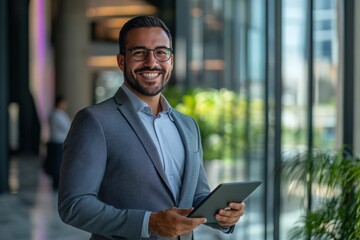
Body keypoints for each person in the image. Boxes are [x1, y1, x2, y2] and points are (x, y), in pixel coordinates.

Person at [58, 16, 245, 240]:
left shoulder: (188, 125)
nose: (151, 62)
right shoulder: (94, 121)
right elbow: (74, 205)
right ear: (121, 61)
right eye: (139, 52)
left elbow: (196, 195)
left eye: (160, 52)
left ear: (171, 60)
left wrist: (223, 215)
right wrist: (151, 222)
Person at [46, 95, 71, 190]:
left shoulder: (54, 113)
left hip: (56, 141)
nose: (65, 105)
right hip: (58, 142)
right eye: (64, 103)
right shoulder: (57, 114)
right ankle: (57, 183)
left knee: (57, 163)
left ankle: (57, 182)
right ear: (59, 103)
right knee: (58, 163)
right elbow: (68, 127)